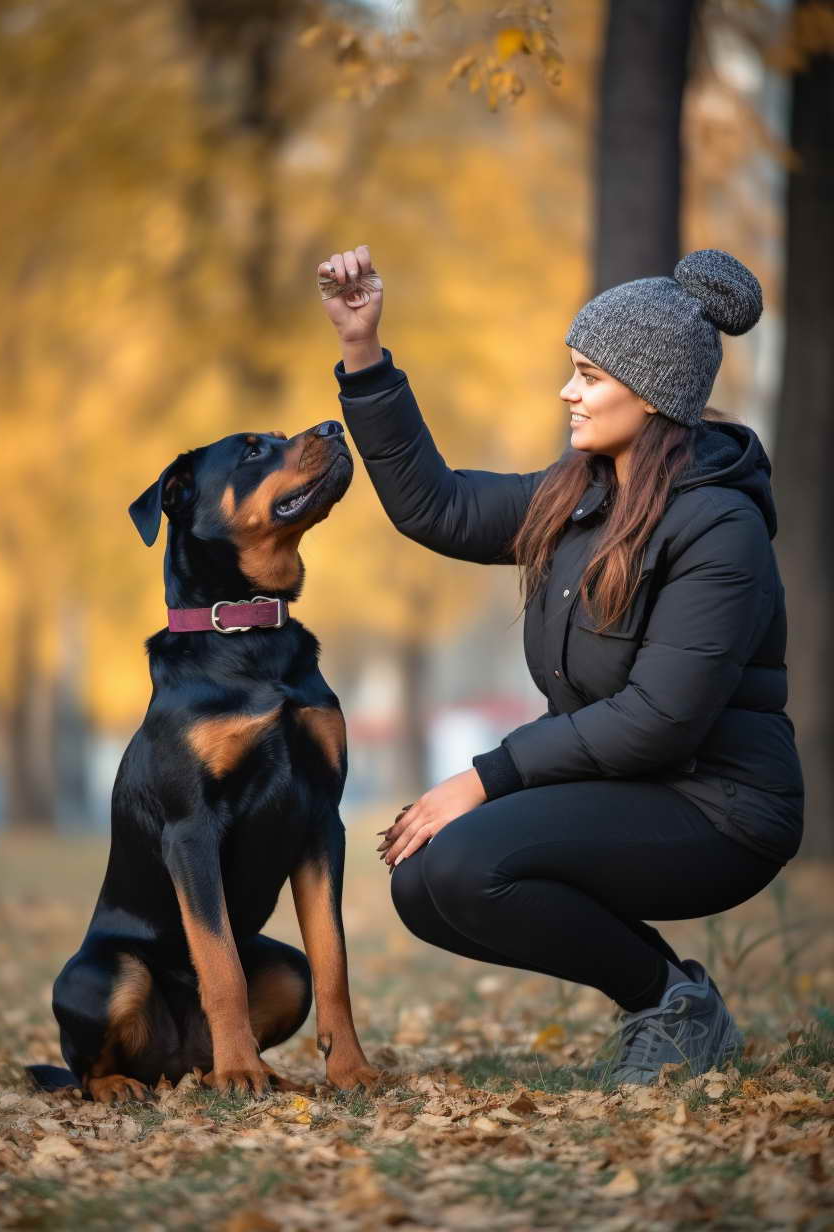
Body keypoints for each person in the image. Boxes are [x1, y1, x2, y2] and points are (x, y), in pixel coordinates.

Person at [316, 244, 804, 1086]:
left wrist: (483, 778)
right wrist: (363, 355)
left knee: (467, 863)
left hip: (721, 808)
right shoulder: (576, 495)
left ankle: (670, 1004)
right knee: (425, 883)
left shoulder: (721, 528)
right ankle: (672, 999)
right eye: (571, 371)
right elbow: (436, 505)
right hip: (630, 784)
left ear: (651, 393)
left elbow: (659, 719)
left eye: (589, 376)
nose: (567, 393)